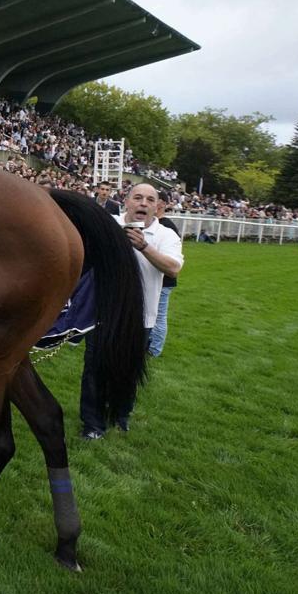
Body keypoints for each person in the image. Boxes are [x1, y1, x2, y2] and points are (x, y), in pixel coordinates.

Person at [79, 183, 184, 439]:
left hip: (141, 316)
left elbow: (173, 268)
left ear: (156, 207)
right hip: (102, 312)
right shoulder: (108, 223)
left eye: (150, 199)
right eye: (137, 197)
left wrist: (144, 247)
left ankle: (121, 414)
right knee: (94, 370)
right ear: (126, 201)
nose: (143, 203)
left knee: (128, 369)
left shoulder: (165, 234)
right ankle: (93, 424)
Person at [148, 191, 181, 357]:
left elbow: (173, 257)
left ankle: (154, 349)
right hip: (154, 277)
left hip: (164, 279)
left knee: (158, 315)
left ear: (161, 204)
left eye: (153, 200)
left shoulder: (166, 226)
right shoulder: (155, 224)